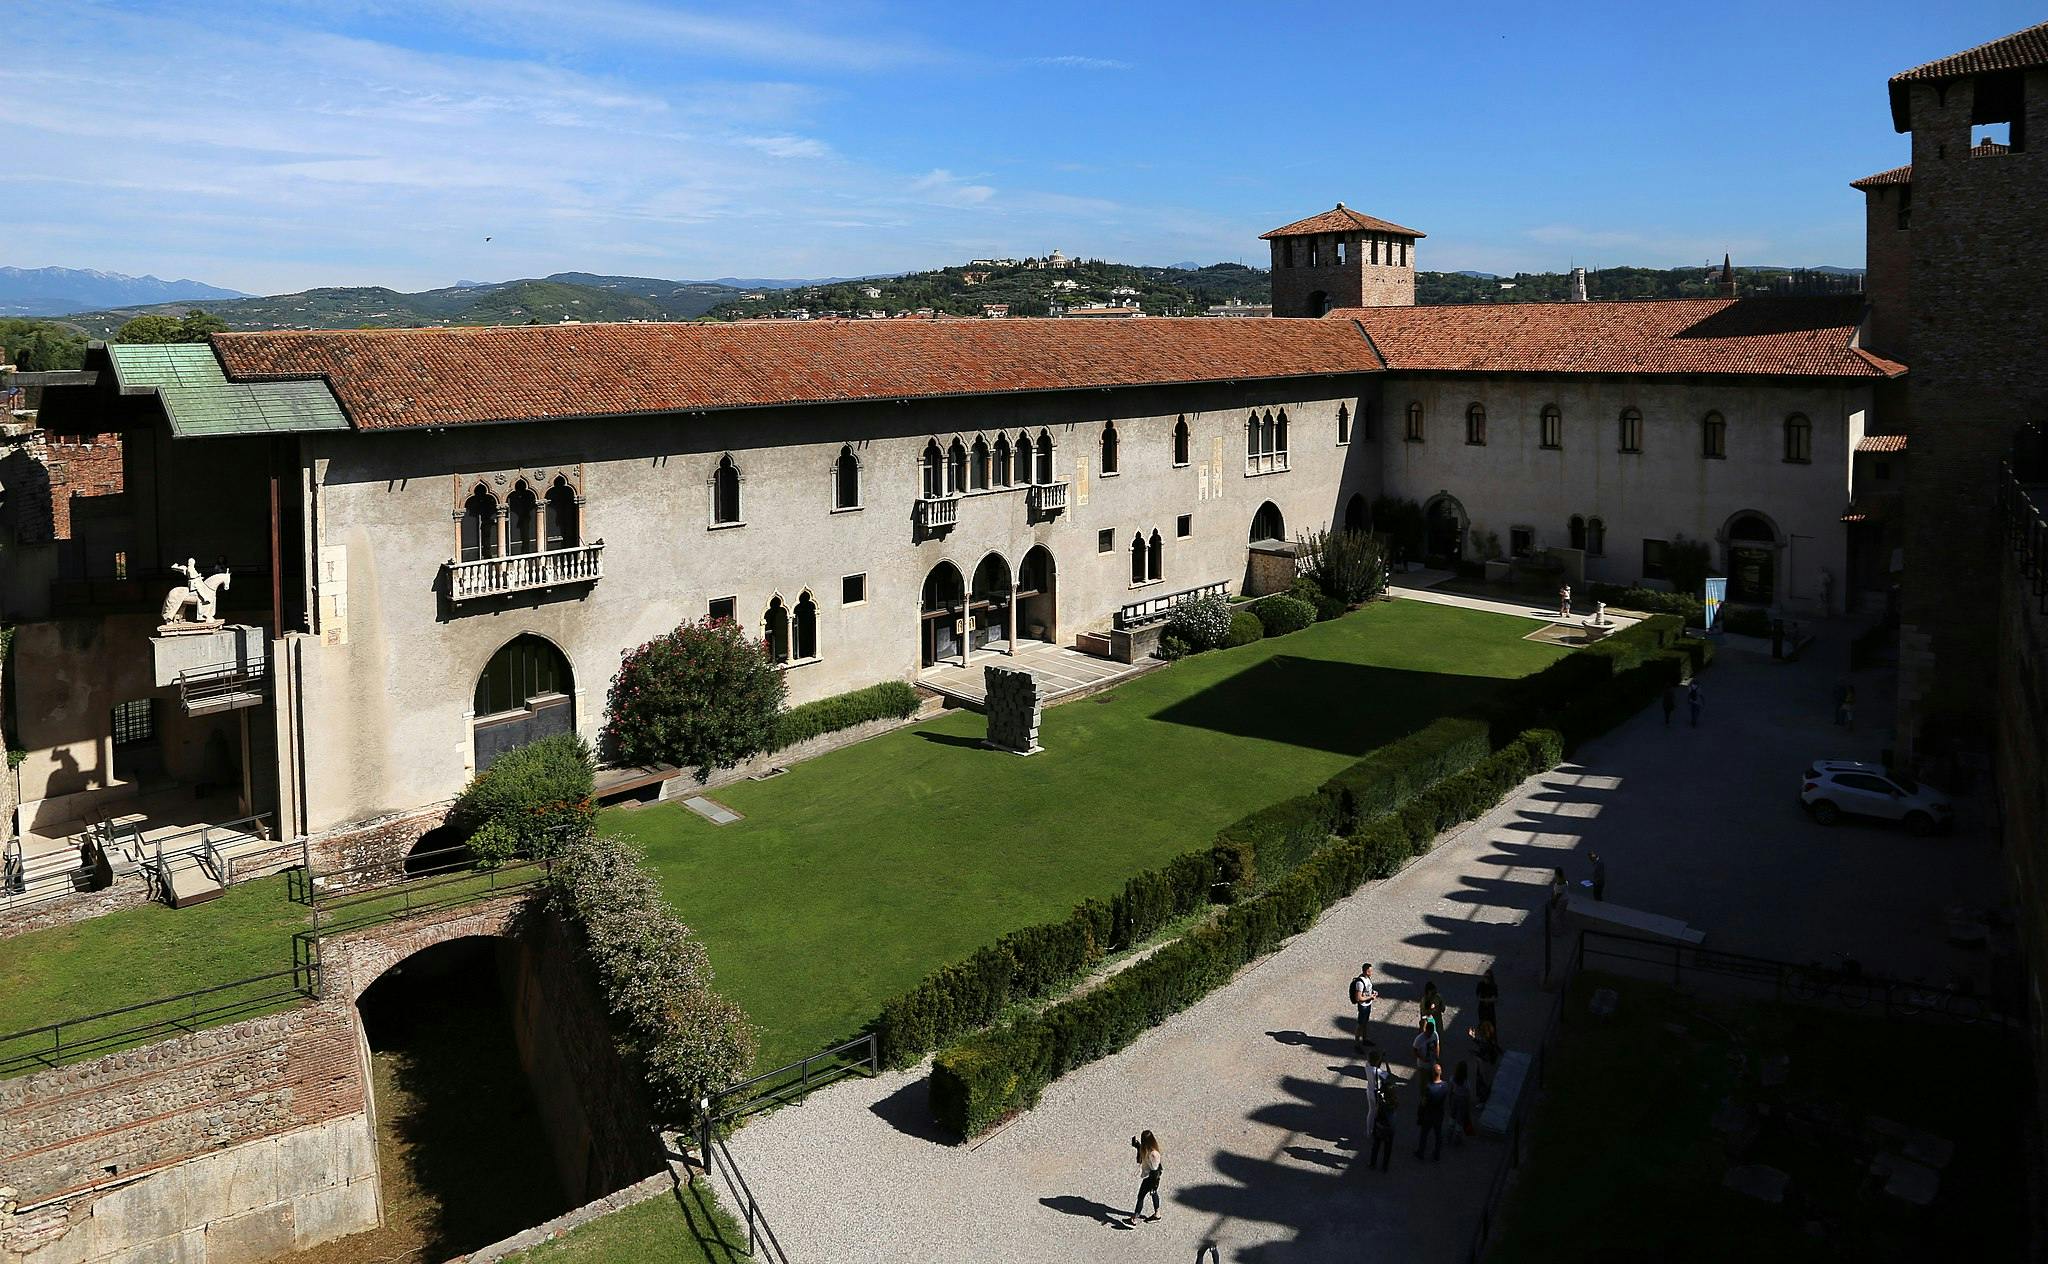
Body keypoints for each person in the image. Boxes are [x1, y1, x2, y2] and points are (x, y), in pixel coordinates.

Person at [1125, 1131, 1163, 1225]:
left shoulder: (1154, 1154)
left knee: (1141, 1196)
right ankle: (1157, 1215)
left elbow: (1155, 1170)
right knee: (1153, 1194)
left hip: (1151, 1178)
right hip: (1149, 1176)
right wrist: (1137, 1146)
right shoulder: (1146, 1149)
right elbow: (1140, 1159)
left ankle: (1134, 1219)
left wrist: (1154, 1185)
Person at [1415, 1063, 1448, 1160]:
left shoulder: (1429, 1088)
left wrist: (1420, 1112)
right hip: (1439, 1114)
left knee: (1424, 1134)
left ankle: (1421, 1152)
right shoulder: (1445, 1085)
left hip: (1428, 1114)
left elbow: (1424, 1102)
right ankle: (1437, 1154)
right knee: (1438, 1135)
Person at [1468, 1021, 1504, 1104]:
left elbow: (1484, 1055)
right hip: (1487, 1065)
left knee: (1483, 1083)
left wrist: (1475, 1054)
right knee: (1484, 1082)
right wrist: (1473, 1038)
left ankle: (1483, 1100)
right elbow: (1481, 1044)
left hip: (1485, 1066)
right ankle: (1484, 1098)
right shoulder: (1489, 1041)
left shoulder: (1487, 1044)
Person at [1349, 962, 1378, 1052]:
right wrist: (1370, 997)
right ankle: (1357, 1044)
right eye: (1370, 971)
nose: (1371, 972)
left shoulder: (1367, 978)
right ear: (1366, 971)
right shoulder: (1360, 983)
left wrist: (1373, 992)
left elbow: (1368, 989)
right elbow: (1358, 998)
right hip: (1363, 1006)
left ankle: (1365, 1039)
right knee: (1360, 1025)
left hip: (1367, 1004)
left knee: (1365, 1023)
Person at [1368, 1086, 1397, 1172]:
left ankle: (1373, 1163)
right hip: (1390, 1129)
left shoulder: (1382, 1105)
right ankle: (1385, 1166)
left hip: (1381, 1128)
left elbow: (1377, 1115)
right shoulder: (1394, 1103)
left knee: (1376, 1146)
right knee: (1388, 1149)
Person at [1448, 1061, 1475, 1142]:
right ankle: (1457, 1137)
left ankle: (1449, 1134)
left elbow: (1451, 1090)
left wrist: (1450, 1099)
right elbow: (1468, 1095)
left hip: (1454, 1098)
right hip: (1462, 1101)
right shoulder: (1466, 1083)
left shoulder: (1453, 1078)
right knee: (1460, 1119)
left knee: (1452, 1116)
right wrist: (1468, 1106)